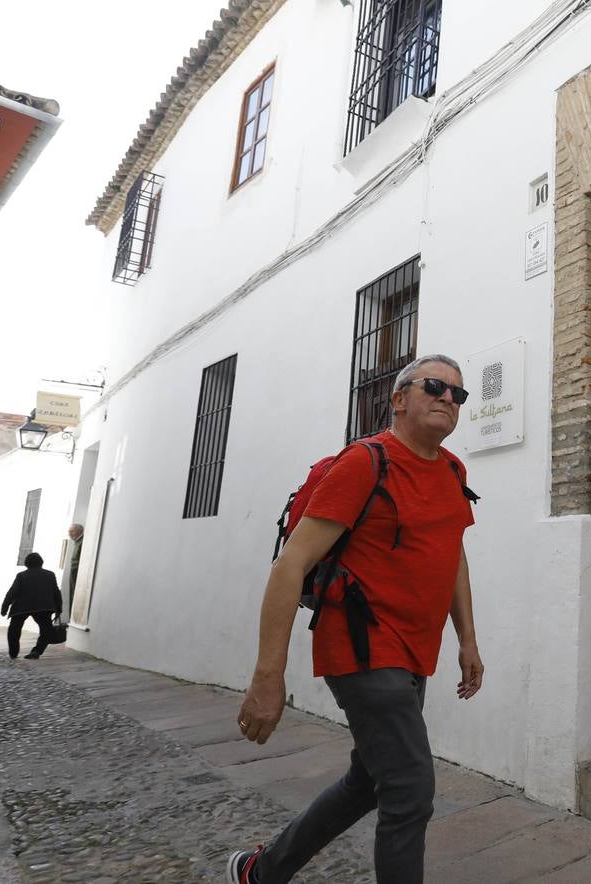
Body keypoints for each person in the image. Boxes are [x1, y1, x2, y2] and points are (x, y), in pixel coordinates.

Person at [228, 355, 484, 884]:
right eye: (434, 386)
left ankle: (262, 871)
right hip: (363, 648)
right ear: (398, 399)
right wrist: (267, 677)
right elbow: (290, 565)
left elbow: (452, 553)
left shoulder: (453, 471)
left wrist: (468, 641)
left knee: (368, 782)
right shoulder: (366, 462)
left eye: (457, 394)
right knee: (410, 792)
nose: (447, 399)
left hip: (415, 651)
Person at [0, 552, 63, 660]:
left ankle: (13, 652)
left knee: (14, 629)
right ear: (41, 563)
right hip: (43, 607)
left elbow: (12, 592)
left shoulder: (21, 576)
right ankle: (37, 651)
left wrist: (5, 606)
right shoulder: (50, 575)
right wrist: (59, 608)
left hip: (22, 607)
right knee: (46, 630)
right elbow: (56, 592)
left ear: (26, 564)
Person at [66, 523, 84, 588]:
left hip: (77, 570)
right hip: (74, 569)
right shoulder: (77, 541)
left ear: (80, 531)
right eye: (69, 532)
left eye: (72, 531)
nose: (70, 534)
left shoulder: (82, 542)